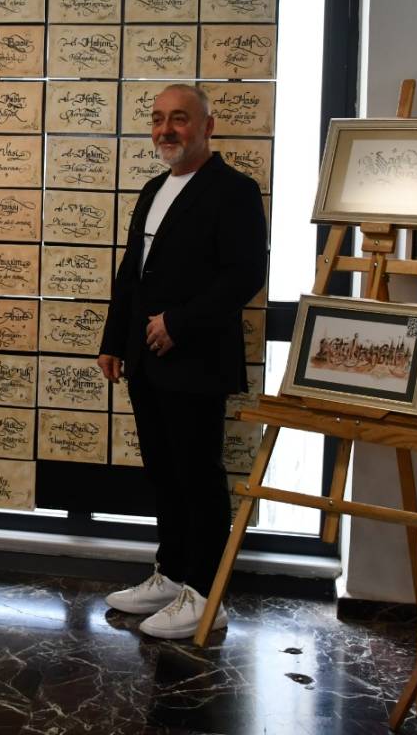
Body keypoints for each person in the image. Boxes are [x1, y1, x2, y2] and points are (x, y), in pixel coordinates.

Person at [97, 83, 267, 639]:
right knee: (164, 474)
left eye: (179, 118)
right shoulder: (153, 188)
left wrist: (179, 323)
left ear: (207, 126)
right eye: (157, 119)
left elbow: (245, 275)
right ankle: (171, 576)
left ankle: (205, 594)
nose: (165, 129)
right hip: (146, 361)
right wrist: (114, 340)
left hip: (196, 359)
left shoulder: (235, 191)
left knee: (198, 476)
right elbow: (132, 272)